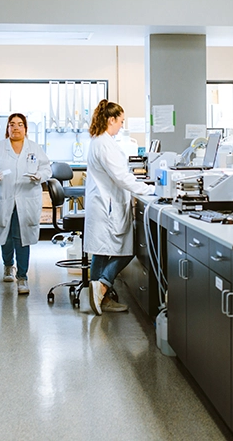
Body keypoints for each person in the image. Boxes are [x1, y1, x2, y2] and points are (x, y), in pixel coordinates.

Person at [84, 99, 155, 315]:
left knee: (100, 252)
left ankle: (100, 298)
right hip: (107, 206)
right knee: (127, 251)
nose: (122, 126)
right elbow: (122, 177)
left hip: (104, 204)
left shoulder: (100, 141)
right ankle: (103, 285)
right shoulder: (104, 144)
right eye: (120, 121)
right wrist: (150, 190)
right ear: (110, 119)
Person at [0, 113, 52, 295]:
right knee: (5, 237)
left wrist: (40, 176)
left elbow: (47, 168)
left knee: (21, 238)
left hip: (26, 199)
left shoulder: (34, 148)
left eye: (20, 124)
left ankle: (22, 277)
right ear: (7, 128)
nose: (15, 128)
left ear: (25, 128)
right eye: (12, 124)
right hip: (5, 198)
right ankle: (8, 266)